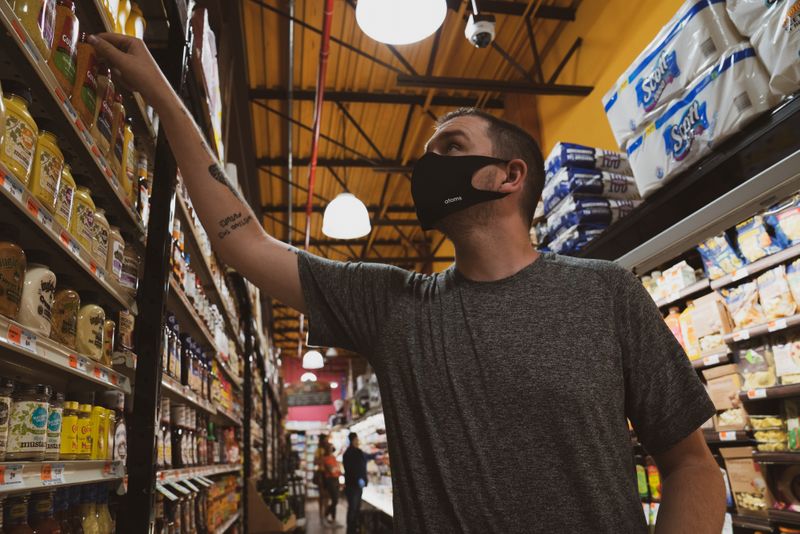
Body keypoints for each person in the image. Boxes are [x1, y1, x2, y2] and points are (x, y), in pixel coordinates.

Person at [91, 31, 727, 533]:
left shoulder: (604, 293)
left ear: (508, 176)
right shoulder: (394, 306)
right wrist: (166, 95)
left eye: (449, 148)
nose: (428, 165)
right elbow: (243, 243)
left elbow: (692, 464)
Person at [342, 432, 380, 534]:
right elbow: (353, 468)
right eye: (357, 439)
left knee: (354, 508)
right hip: (354, 485)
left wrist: (377, 453)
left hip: (354, 485)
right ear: (353, 440)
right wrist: (359, 479)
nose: (358, 441)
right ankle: (352, 530)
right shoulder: (352, 453)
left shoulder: (351, 452)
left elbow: (366, 457)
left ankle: (353, 529)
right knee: (354, 509)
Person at [321, 442, 342, 527]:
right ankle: (325, 515)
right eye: (330, 447)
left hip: (336, 480)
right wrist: (336, 468)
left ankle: (333, 519)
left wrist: (336, 468)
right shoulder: (325, 458)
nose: (331, 449)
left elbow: (337, 469)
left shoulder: (333, 457)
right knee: (335, 500)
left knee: (335, 500)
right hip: (330, 480)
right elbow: (332, 470)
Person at [314, 434, 330, 524]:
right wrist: (323, 459)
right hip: (322, 474)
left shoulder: (328, 449)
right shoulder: (319, 450)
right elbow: (315, 462)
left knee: (327, 495)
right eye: (325, 440)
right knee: (322, 495)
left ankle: (326, 514)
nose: (327, 442)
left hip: (329, 474)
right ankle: (321, 514)